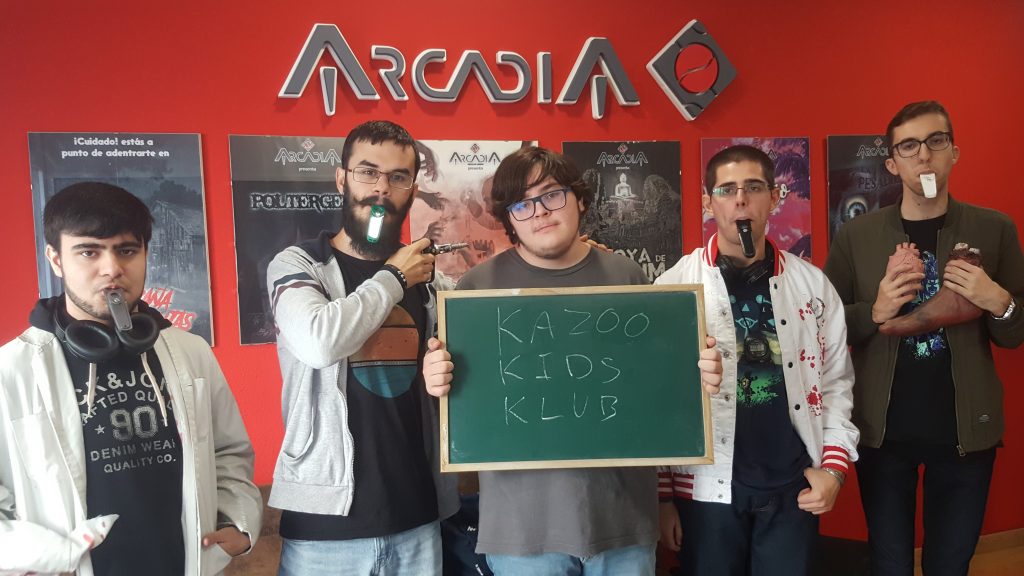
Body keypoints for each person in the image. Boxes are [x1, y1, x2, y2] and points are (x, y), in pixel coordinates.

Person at [422, 146, 723, 576]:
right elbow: (464, 406)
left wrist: (697, 376)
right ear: (509, 218)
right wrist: (437, 379)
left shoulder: (627, 278)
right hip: (522, 534)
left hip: (623, 524)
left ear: (579, 199)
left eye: (552, 194)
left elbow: (658, 392)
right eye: (522, 204)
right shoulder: (475, 290)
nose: (540, 212)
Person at [0, 182, 261, 575]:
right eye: (89, 251)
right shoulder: (12, 370)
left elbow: (229, 453)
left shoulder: (190, 352)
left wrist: (236, 521)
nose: (112, 269)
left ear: (145, 254)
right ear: (55, 259)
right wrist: (43, 553)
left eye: (126, 250)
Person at [824, 100, 1024, 576]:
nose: (924, 155)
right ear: (892, 163)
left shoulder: (994, 229)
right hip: (882, 434)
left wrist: (998, 300)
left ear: (954, 151)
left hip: (965, 433)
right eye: (909, 146)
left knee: (950, 565)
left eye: (936, 141)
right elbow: (821, 328)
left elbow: (1014, 335)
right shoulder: (856, 236)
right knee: (889, 564)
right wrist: (876, 311)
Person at [265, 120, 459, 575]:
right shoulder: (299, 265)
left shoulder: (431, 284)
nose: (381, 188)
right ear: (341, 178)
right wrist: (393, 278)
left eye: (397, 177)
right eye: (367, 172)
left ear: (413, 189)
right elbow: (318, 342)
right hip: (324, 531)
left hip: (417, 521)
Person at [656, 145, 858, 576]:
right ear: (708, 202)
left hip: (792, 485)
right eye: (726, 190)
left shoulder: (814, 286)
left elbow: (836, 381)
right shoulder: (673, 286)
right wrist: (664, 499)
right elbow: (658, 401)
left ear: (775, 197)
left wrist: (834, 469)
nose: (741, 200)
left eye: (753, 187)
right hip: (705, 492)